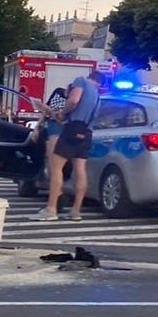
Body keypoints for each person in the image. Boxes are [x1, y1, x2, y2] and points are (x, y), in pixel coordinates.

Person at [34, 72, 100, 223]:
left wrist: (63, 113)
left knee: (56, 168)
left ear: (90, 76)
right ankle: (76, 211)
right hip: (86, 132)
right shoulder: (97, 95)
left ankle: (51, 209)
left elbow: (74, 101)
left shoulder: (81, 81)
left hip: (71, 130)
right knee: (80, 171)